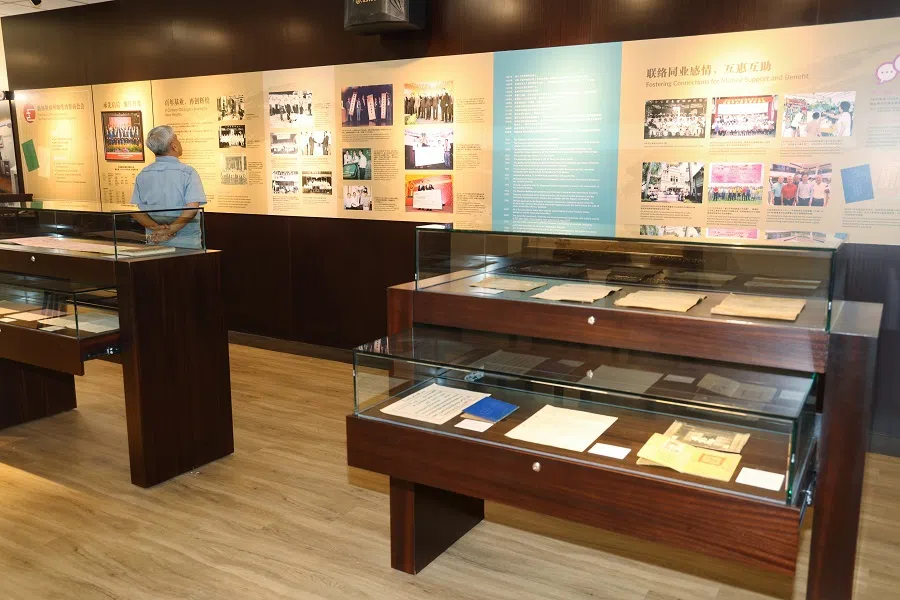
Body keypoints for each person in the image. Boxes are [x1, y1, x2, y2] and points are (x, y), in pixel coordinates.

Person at [130, 125, 206, 249]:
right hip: (186, 244)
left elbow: (138, 211)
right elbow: (191, 209)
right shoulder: (188, 173)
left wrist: (157, 229)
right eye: (177, 139)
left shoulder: (143, 174)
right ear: (173, 146)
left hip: (155, 241)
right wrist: (169, 231)